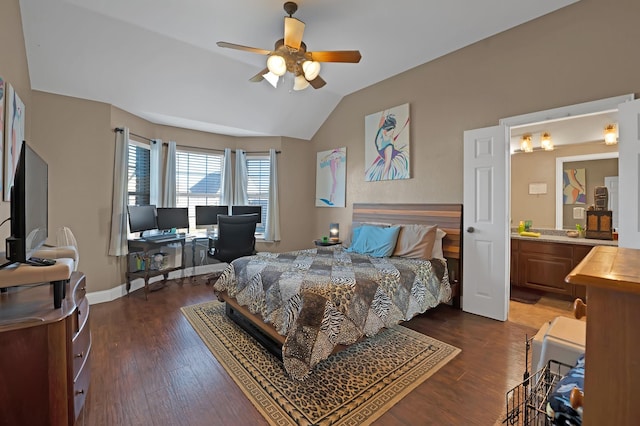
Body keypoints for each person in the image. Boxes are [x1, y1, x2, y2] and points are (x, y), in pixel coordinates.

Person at [365, 111, 409, 181]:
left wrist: (383, 177)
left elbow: (387, 164)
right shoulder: (387, 142)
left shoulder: (382, 133)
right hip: (387, 161)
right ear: (386, 131)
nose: (393, 133)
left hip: (395, 160)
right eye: (392, 131)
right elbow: (387, 164)